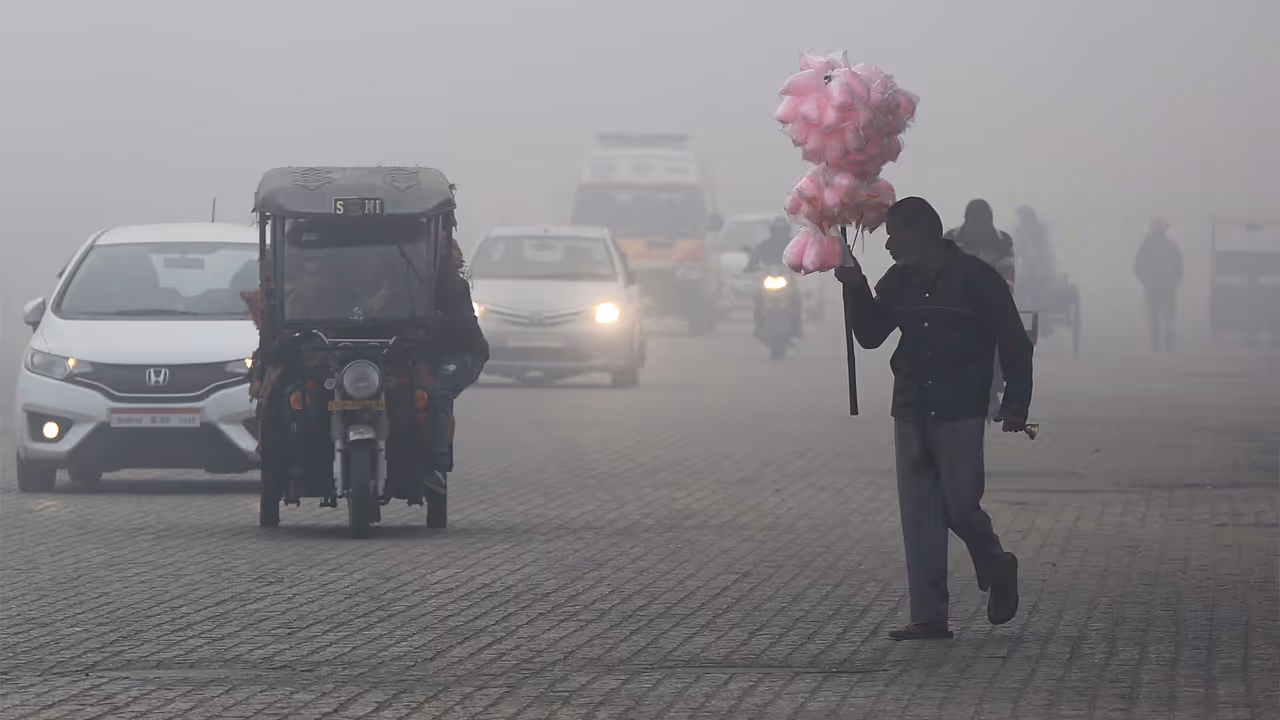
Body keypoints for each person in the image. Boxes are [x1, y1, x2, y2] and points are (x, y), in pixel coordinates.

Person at [835, 196, 1031, 641]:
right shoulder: (898, 281)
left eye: (893, 237)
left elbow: (1014, 342)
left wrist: (1016, 403)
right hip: (910, 405)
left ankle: (997, 564)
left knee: (960, 506)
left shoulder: (977, 279)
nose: (888, 246)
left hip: (960, 407)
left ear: (920, 234)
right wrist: (855, 285)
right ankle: (928, 617)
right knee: (919, 515)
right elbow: (870, 335)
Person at [947, 199, 1016, 420]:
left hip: (990, 305)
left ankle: (992, 394)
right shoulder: (950, 240)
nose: (979, 226)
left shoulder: (1003, 242)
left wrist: (998, 296)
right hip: (955, 304)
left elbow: (1008, 275)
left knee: (994, 344)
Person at [746, 217, 803, 339]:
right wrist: (751, 266)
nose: (779, 233)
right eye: (777, 230)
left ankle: (797, 326)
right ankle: (758, 325)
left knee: (796, 296)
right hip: (769, 278)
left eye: (782, 230)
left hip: (788, 278)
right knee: (758, 296)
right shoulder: (764, 245)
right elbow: (754, 258)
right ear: (772, 230)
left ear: (786, 230)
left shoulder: (794, 245)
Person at [1133, 218, 1182, 353]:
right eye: (1159, 228)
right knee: (1157, 317)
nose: (1161, 231)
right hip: (1155, 286)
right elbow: (1138, 267)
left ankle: (1166, 346)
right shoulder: (1148, 246)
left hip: (1165, 286)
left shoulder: (1168, 246)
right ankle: (1158, 346)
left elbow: (1179, 265)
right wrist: (1146, 281)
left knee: (1166, 317)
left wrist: (1175, 281)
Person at [1010, 206, 1056, 311]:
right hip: (1026, 267)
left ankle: (1040, 308)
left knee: (1034, 281)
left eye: (1022, 217)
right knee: (1018, 282)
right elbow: (1016, 249)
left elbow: (1046, 251)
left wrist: (1040, 265)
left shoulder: (1040, 230)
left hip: (1041, 268)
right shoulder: (1020, 230)